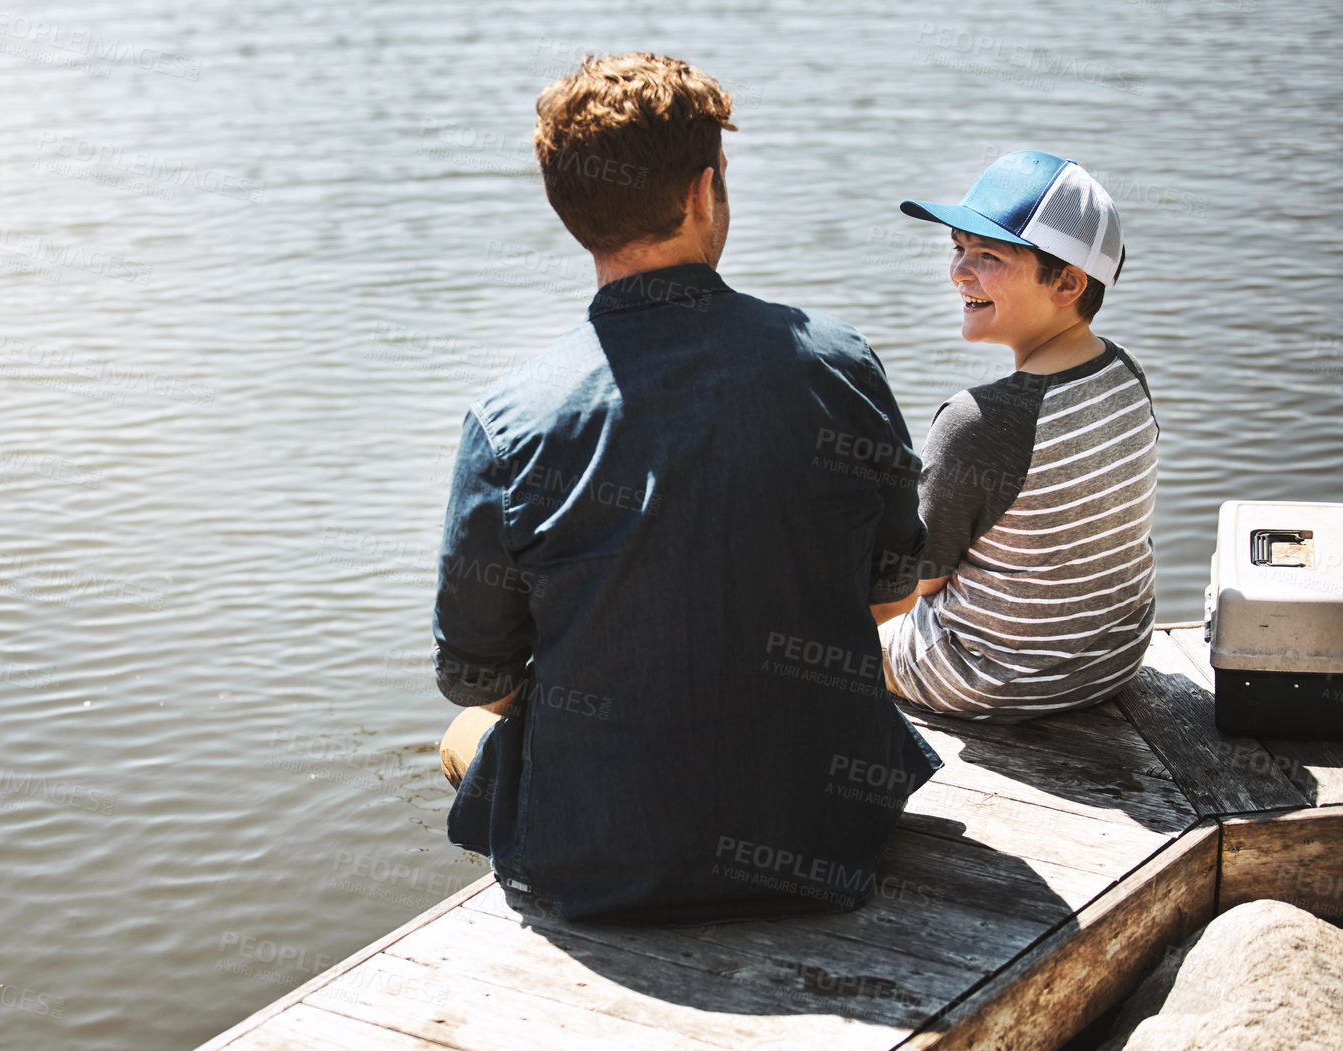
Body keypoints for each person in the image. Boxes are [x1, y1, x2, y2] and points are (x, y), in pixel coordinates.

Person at [431, 53, 941, 924]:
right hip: (822, 832)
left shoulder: (508, 420)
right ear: (704, 192)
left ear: (570, 213)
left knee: (460, 739)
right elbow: (892, 600)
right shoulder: (839, 365)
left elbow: (476, 671)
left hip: (597, 855)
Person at [880, 151, 1158, 721]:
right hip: (1111, 660)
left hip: (991, 681)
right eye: (958, 248)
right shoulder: (1126, 375)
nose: (958, 271)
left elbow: (924, 584)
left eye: (989, 256)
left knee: (808, 632)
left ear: (1068, 283)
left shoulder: (977, 421)